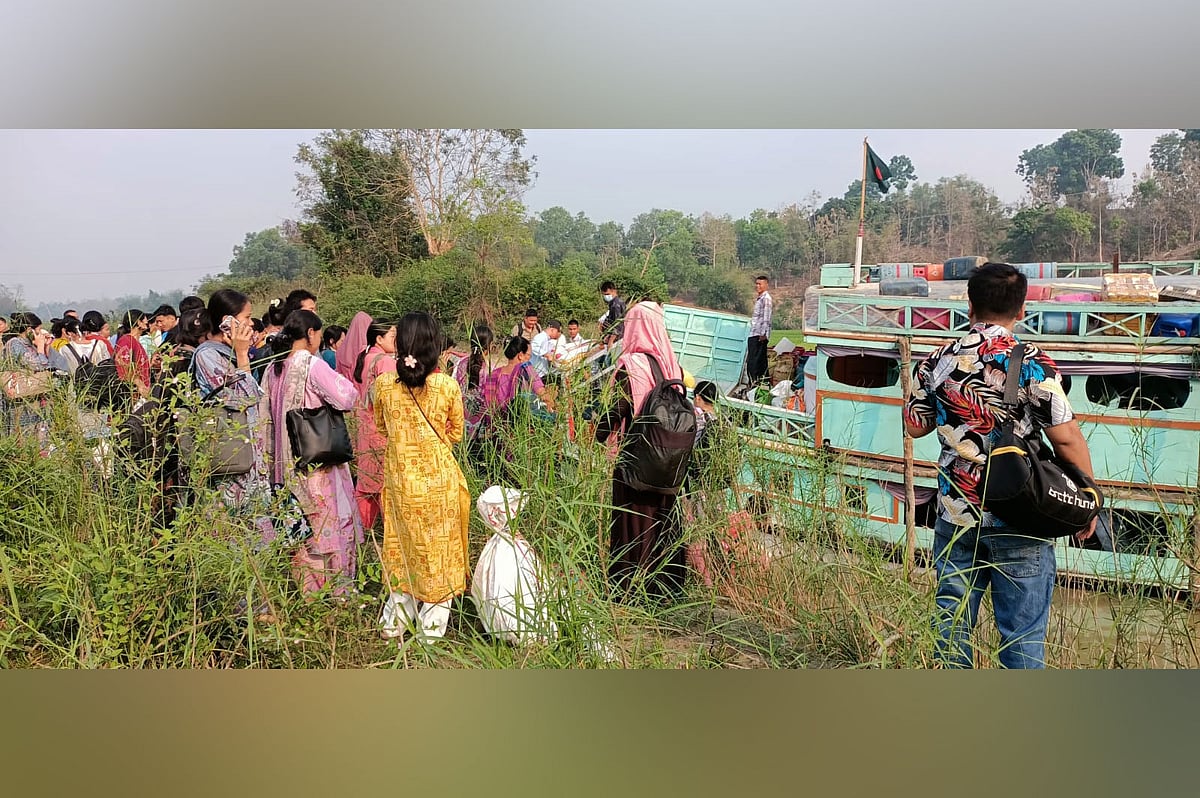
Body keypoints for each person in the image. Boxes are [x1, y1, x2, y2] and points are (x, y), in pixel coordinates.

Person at [903, 262, 1097, 669]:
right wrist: (1087, 497)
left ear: (969, 306)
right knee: (1022, 637)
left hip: (956, 514)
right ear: (1022, 309)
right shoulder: (1033, 363)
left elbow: (915, 425)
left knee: (951, 629)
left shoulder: (936, 359)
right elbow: (1065, 436)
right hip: (1021, 514)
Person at [374, 311, 471, 641]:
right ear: (433, 343)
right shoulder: (446, 386)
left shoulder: (385, 385)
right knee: (438, 551)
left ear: (400, 343)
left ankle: (394, 621)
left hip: (402, 484)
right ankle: (431, 630)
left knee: (403, 549)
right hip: (439, 484)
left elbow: (381, 427)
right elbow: (456, 433)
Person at [260, 310, 363, 597]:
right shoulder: (309, 365)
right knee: (328, 527)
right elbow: (345, 397)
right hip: (316, 465)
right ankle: (339, 593)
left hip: (283, 466)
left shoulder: (273, 367)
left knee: (301, 533)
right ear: (310, 334)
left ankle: (309, 593)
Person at [594, 301, 687, 602]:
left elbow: (617, 410)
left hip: (636, 459)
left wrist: (598, 434)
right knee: (663, 520)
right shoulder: (672, 365)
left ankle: (630, 588)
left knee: (632, 522)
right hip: (668, 461)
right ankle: (663, 588)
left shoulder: (631, 365)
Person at [190, 289, 276, 546]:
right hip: (230, 461)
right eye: (247, 317)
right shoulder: (207, 355)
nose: (251, 323)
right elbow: (246, 396)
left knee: (259, 532)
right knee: (235, 533)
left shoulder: (227, 353)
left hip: (249, 458)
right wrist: (241, 354)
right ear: (227, 322)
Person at [351, 318, 397, 530]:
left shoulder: (363, 357)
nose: (396, 342)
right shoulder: (385, 362)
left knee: (366, 485)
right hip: (380, 429)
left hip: (363, 428)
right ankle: (391, 535)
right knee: (385, 486)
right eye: (392, 337)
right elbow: (390, 399)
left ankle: (362, 531)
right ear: (379, 338)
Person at [2, 312, 52, 440]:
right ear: (29, 330)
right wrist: (40, 347)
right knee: (23, 434)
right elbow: (36, 365)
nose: (41, 334)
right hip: (21, 400)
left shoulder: (29, 344)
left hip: (33, 398)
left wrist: (45, 346)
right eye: (38, 330)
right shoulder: (15, 343)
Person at [114, 310, 152, 398]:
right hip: (132, 391)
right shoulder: (126, 340)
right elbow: (121, 362)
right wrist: (139, 384)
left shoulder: (136, 342)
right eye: (145, 320)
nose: (147, 322)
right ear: (139, 322)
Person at [746, 275, 772, 385]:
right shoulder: (760, 298)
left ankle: (754, 382)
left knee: (754, 362)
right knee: (760, 361)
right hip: (755, 333)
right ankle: (762, 383)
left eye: (760, 284)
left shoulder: (766, 299)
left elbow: (767, 317)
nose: (758, 286)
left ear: (766, 285)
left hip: (758, 335)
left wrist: (763, 334)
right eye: (756, 284)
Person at [599, 281, 627, 348]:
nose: (606, 296)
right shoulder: (614, 303)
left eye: (608, 294)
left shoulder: (616, 305)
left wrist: (611, 340)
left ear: (614, 291)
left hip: (617, 340)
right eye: (605, 295)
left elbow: (618, 324)